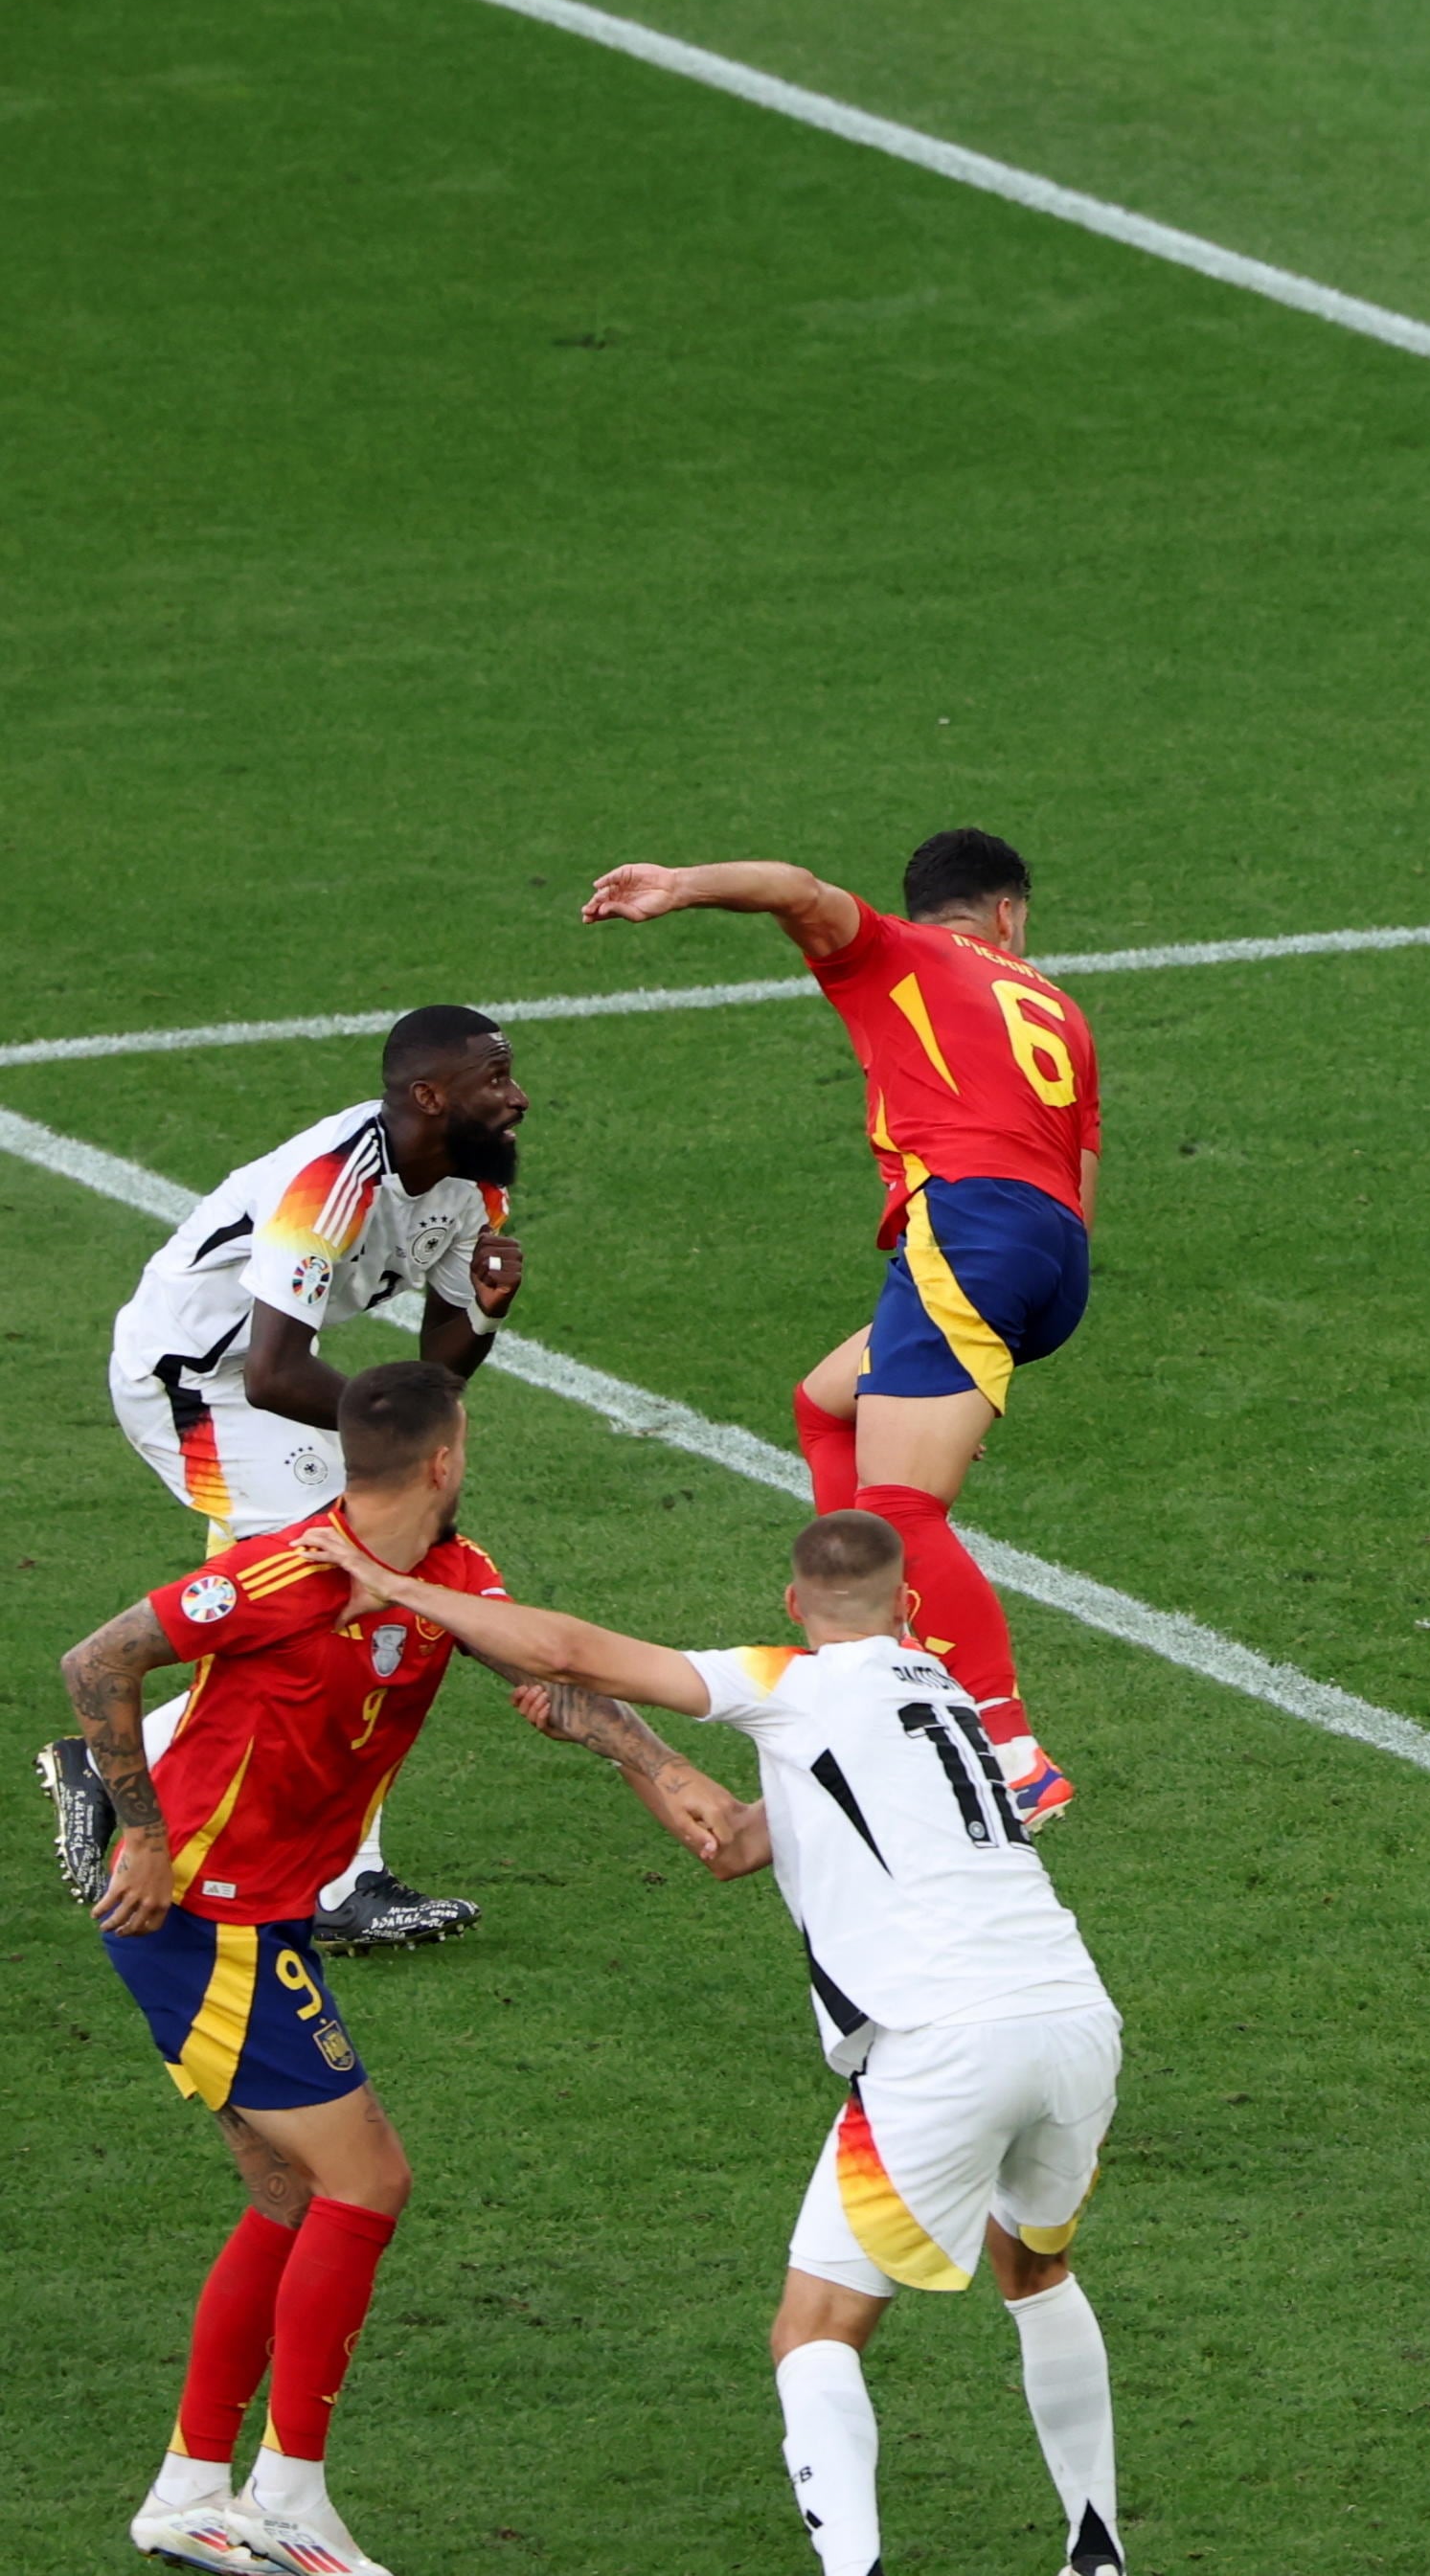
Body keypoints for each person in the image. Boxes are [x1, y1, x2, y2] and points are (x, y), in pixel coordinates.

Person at [299, 1507, 1129, 2576]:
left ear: (793, 1605)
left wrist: (389, 1579)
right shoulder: (945, 1700)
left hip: (940, 2041)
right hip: (1071, 2019)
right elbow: (735, 1841)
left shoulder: (790, 1681)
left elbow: (563, 1648)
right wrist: (616, 1742)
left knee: (814, 2329)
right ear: (909, 1603)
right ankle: (1096, 2553)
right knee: (1037, 2266)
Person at [65, 1361, 745, 2576]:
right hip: (202, 1915)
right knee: (368, 2181)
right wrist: (144, 1830)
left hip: (262, 1915)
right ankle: (287, 2498)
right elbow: (96, 1660)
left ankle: (187, 2490)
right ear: (445, 1453)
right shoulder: (285, 1572)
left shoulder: (454, 1578)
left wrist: (666, 1772)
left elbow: (553, 1681)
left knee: (288, 2195)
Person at [579, 830, 1101, 1822]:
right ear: (1009, 914)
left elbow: (798, 889)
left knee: (902, 1505)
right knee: (827, 1406)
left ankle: (1009, 1748)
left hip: (969, 1228)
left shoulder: (901, 949)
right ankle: (872, 1657)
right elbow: (1080, 1175)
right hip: (1049, 1253)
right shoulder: (1055, 1004)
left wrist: (680, 884)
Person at [36, 1006, 533, 1956]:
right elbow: (273, 1370)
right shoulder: (331, 1184)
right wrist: (394, 1454)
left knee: (367, 1573)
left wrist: (487, 1311)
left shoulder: (475, 1177)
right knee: (356, 1569)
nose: (515, 1096)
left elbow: (437, 1381)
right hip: (190, 1379)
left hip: (261, 1382)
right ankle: (342, 1884)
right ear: (431, 1097)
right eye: (493, 1080)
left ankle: (112, 1768)